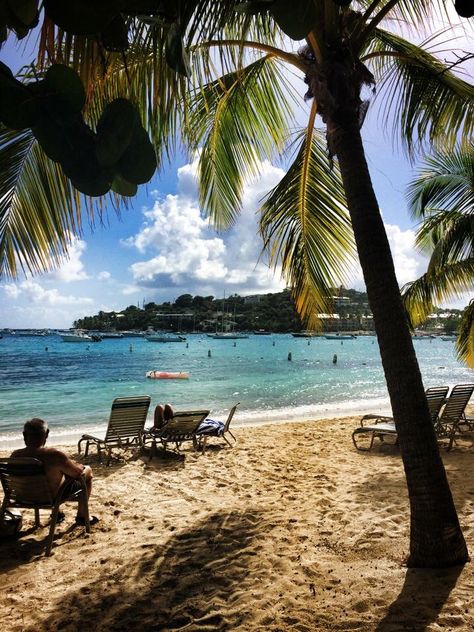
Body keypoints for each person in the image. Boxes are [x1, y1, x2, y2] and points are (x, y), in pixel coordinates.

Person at [10, 418, 98, 526]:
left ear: (24, 435)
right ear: (46, 434)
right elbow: (77, 474)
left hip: (23, 498)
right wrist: (79, 467)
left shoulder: (15, 456)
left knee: (54, 474)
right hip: (49, 499)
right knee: (87, 472)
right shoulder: (54, 455)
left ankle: (58, 514)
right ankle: (82, 515)